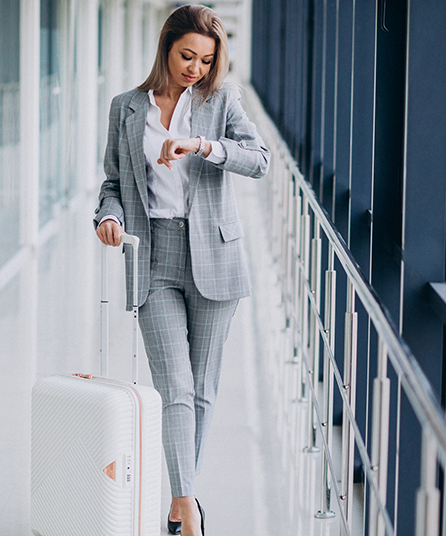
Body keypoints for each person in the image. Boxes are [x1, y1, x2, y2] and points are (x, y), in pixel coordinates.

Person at [93, 5, 269, 536]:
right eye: (186, 55)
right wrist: (108, 215)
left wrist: (202, 145)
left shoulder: (223, 101)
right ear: (165, 48)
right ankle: (186, 509)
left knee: (203, 390)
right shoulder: (127, 108)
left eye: (206, 60)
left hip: (214, 253)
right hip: (154, 255)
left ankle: (178, 500)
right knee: (175, 387)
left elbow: (258, 158)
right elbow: (112, 183)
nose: (195, 68)